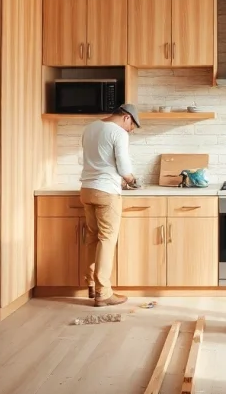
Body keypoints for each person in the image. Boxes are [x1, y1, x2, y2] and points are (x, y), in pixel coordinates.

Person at [80, 103, 141, 307]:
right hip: (106, 191)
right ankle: (103, 293)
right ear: (126, 117)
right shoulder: (118, 132)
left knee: (92, 237)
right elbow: (123, 165)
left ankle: (91, 284)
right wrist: (132, 180)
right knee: (107, 239)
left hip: (87, 189)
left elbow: (95, 160)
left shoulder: (90, 128)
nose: (130, 130)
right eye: (131, 126)